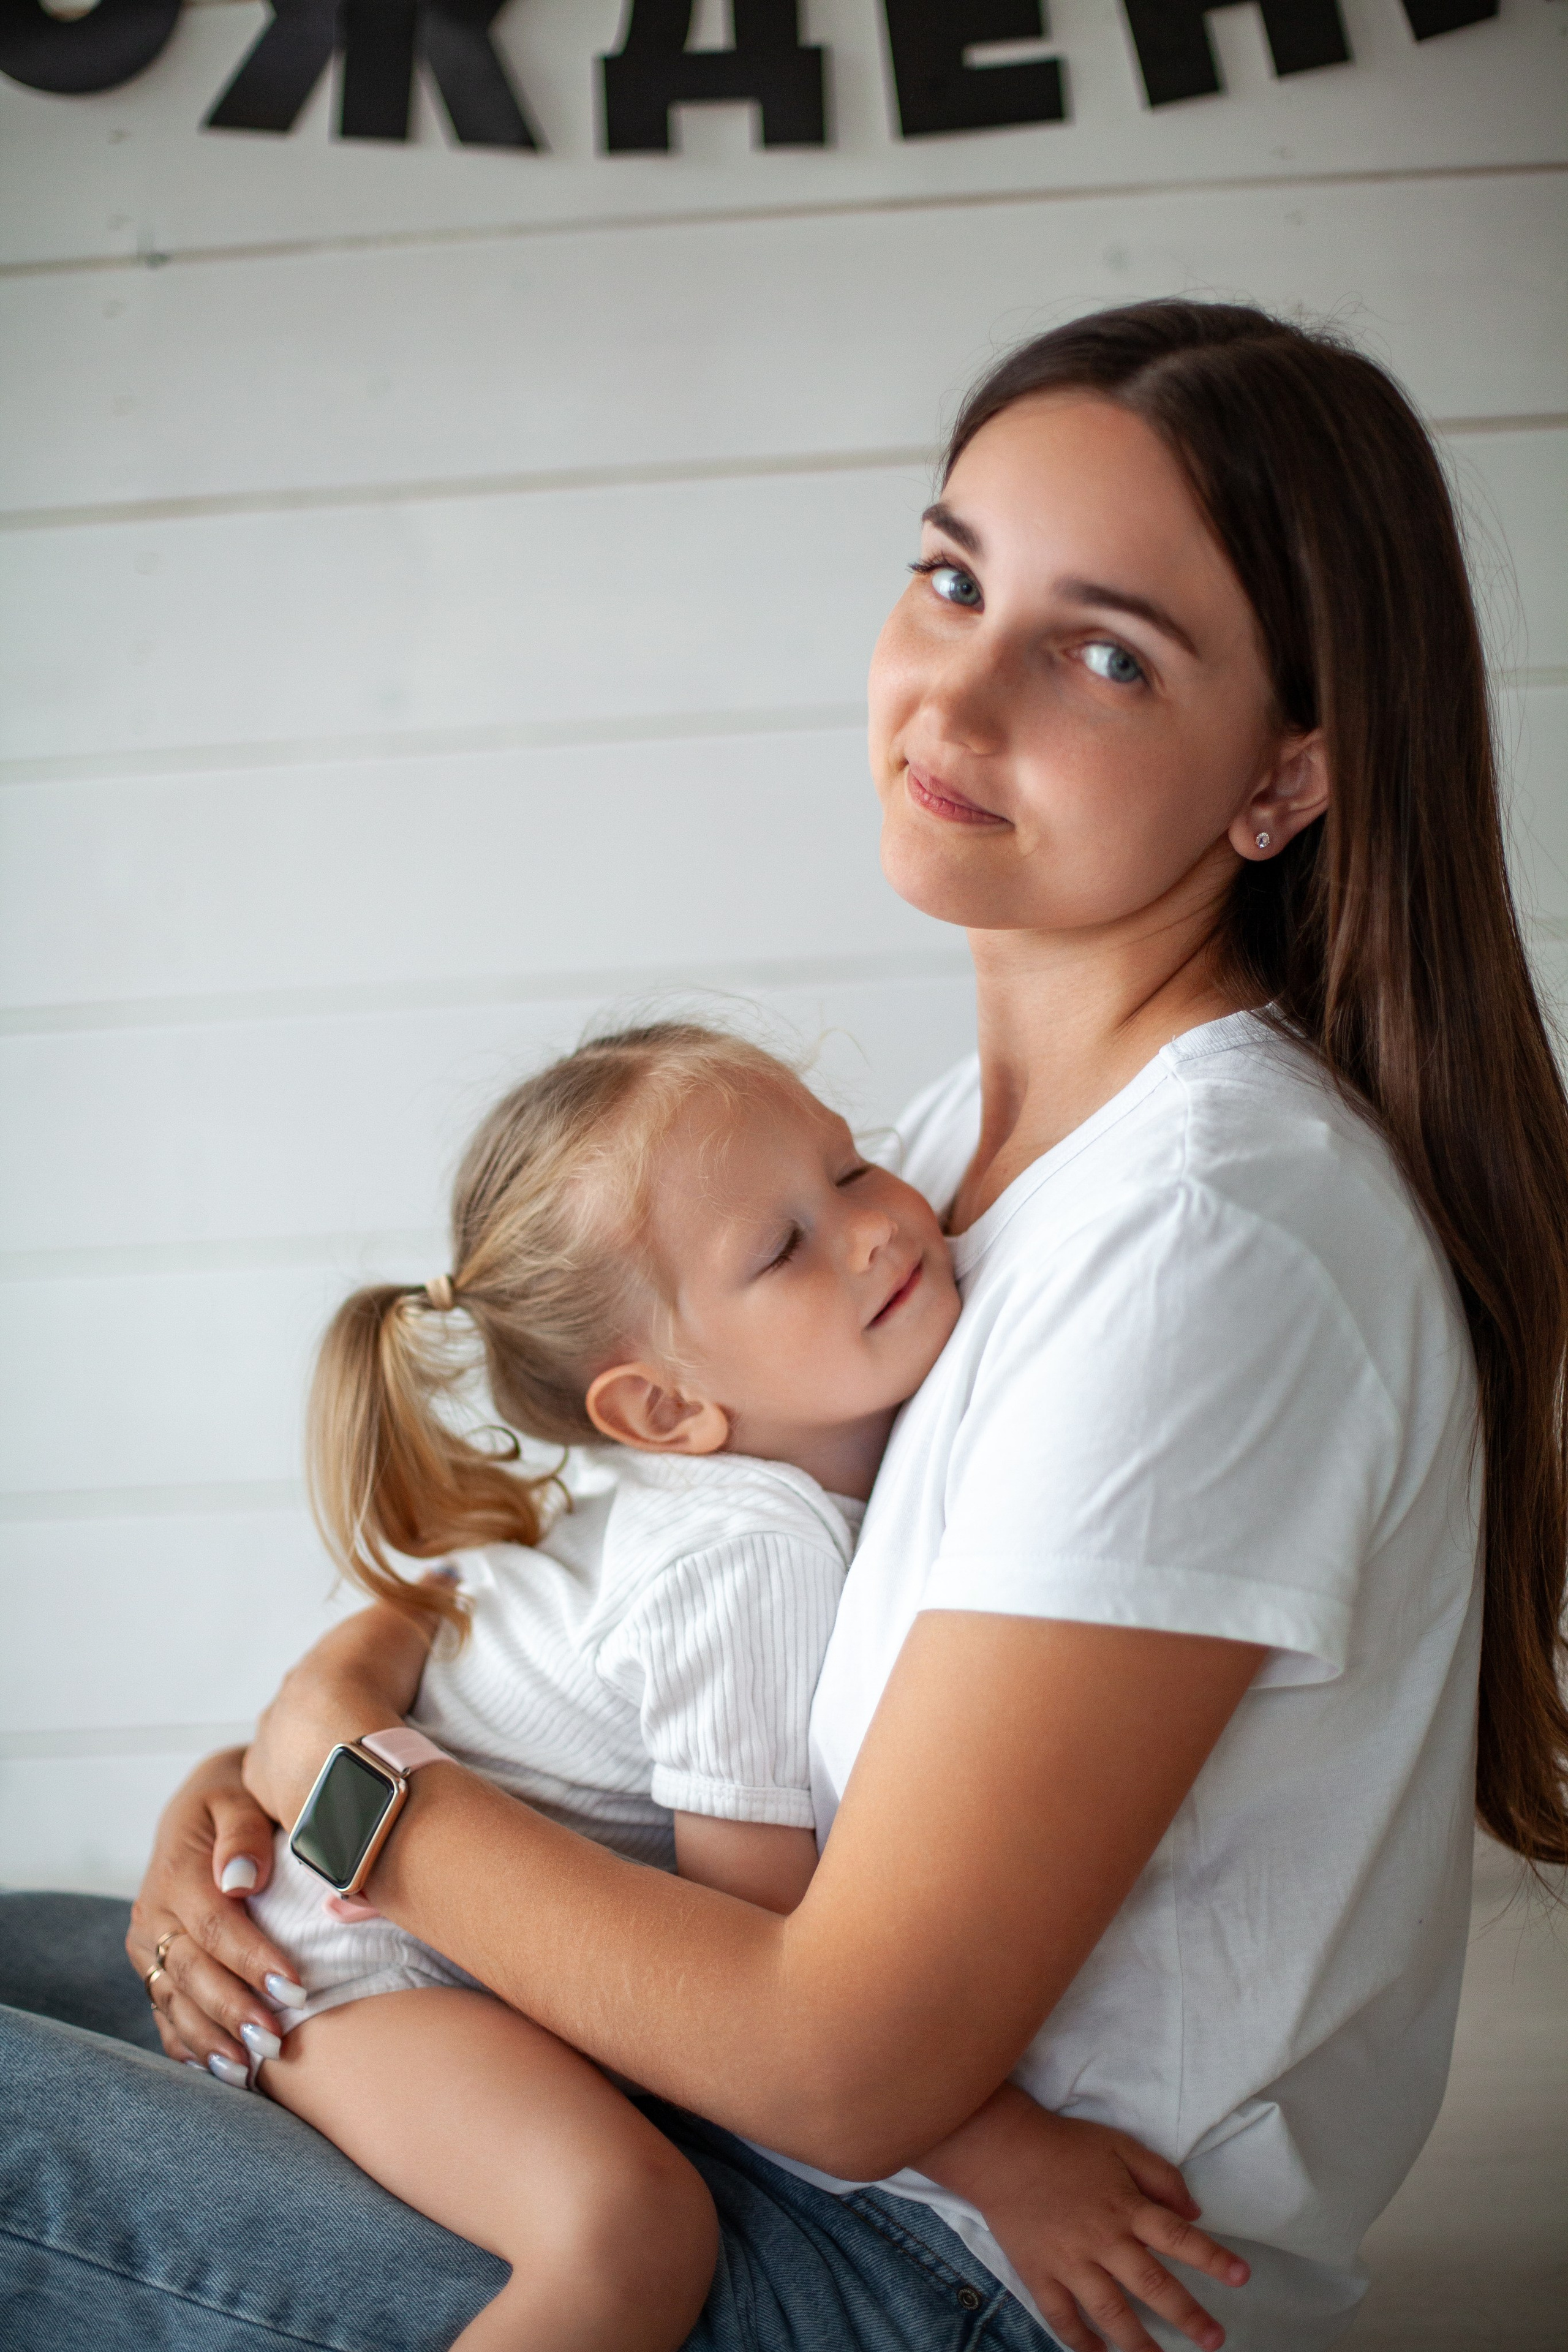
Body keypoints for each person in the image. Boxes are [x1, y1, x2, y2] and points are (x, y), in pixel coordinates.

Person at [4, 299, 1566, 2352]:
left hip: (921, 2275)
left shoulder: (1211, 1244)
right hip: (756, 2137)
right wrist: (287, 1744)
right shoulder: (918, 1173)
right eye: (949, 577)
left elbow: (849, 2068)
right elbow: (601, 1580)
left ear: (1285, 777)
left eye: (1101, 651)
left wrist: (343, 1779)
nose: (955, 691)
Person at [231, 1020, 1243, 2352]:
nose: (875, 1229)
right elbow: (750, 1946)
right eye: (783, 1249)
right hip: (358, 1960)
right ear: (662, 1411)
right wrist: (1006, 2159)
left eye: (845, 1167)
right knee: (625, 2231)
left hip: (426, 1913)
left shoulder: (757, 1480)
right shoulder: (748, 1556)